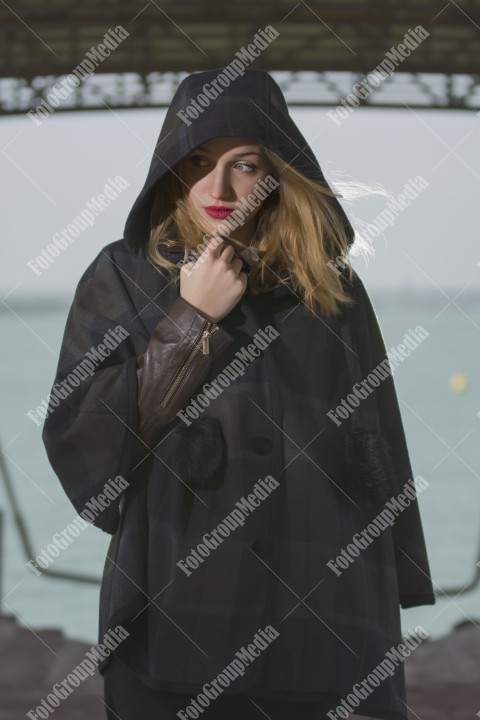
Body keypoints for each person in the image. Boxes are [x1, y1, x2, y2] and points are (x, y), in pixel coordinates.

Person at [42, 68, 435, 720]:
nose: (218, 188)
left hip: (327, 626)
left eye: (244, 164)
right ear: (171, 167)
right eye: (197, 161)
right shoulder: (125, 274)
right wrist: (190, 321)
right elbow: (85, 445)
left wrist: (386, 623)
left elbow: (379, 449)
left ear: (278, 172)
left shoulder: (332, 288)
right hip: (175, 623)